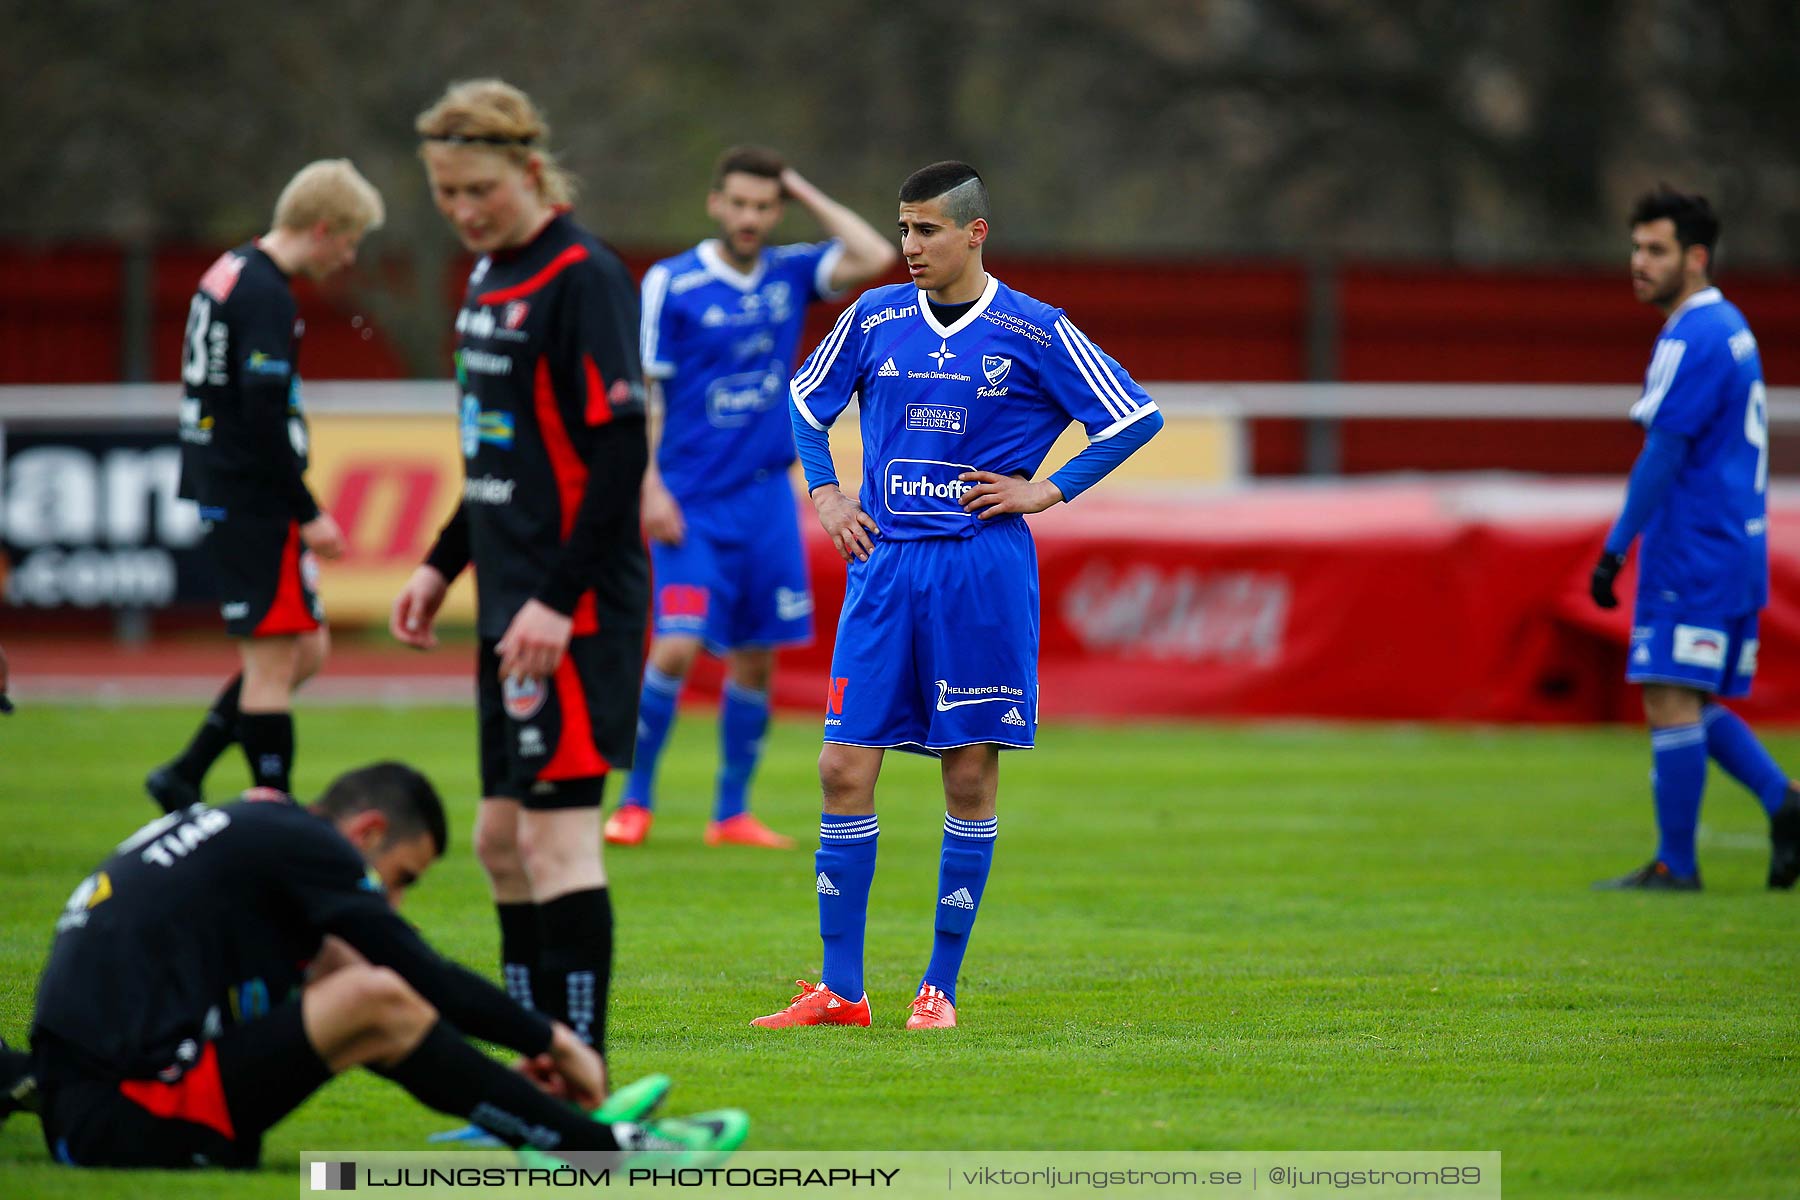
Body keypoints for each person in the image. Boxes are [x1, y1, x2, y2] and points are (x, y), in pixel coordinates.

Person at [752, 162, 1164, 1031]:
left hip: (980, 572)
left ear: (976, 232)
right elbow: (803, 400)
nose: (910, 248)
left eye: (927, 231)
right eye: (903, 230)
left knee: (968, 775)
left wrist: (1046, 491)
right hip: (886, 565)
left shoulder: (1036, 329)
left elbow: (1132, 416)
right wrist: (825, 491)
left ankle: (937, 989)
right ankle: (842, 990)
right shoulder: (874, 317)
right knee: (839, 767)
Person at [15, 763, 745, 1168]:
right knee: (371, 991)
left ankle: (552, 1131)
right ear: (365, 832)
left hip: (89, 1109)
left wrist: (501, 1083)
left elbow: (384, 1015)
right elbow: (412, 975)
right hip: (129, 1115)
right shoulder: (310, 845)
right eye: (397, 877)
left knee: (354, 984)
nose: (391, 901)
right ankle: (601, 1153)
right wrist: (554, 1041)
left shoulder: (254, 837)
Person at [390, 80, 648, 1061]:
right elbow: (499, 453)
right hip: (512, 606)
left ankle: (583, 1082)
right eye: (447, 193)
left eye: (479, 190)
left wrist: (555, 599)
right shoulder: (486, 277)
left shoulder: (584, 275)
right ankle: (536, 1072)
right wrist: (439, 562)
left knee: (555, 843)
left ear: (530, 171)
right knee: (500, 844)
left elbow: (618, 452)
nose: (463, 212)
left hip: (570, 612)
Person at [603, 146, 897, 850]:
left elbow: (874, 253)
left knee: (758, 656)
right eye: (738, 203)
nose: (750, 217)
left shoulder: (790, 272)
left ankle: (730, 813)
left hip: (767, 498)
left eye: (764, 206)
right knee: (674, 646)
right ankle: (634, 801)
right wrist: (647, 485)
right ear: (715, 203)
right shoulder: (671, 283)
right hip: (689, 500)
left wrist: (801, 185)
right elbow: (646, 391)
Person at [145, 161, 384, 811]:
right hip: (252, 494)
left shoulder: (229, 270)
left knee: (305, 648)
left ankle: (186, 771)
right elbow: (261, 411)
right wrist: (305, 508)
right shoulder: (266, 294)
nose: (350, 256)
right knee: (276, 661)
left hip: (226, 481)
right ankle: (272, 806)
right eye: (351, 240)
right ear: (324, 226)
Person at [1590, 186, 1800, 891]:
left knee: (1667, 695)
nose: (1638, 263)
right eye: (1636, 247)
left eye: (1656, 250)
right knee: (1689, 699)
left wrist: (1617, 546)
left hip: (1695, 548)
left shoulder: (1693, 335)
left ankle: (1676, 864)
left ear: (1696, 257)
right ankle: (1785, 802)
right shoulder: (1732, 326)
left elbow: (1664, 452)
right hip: (1734, 543)